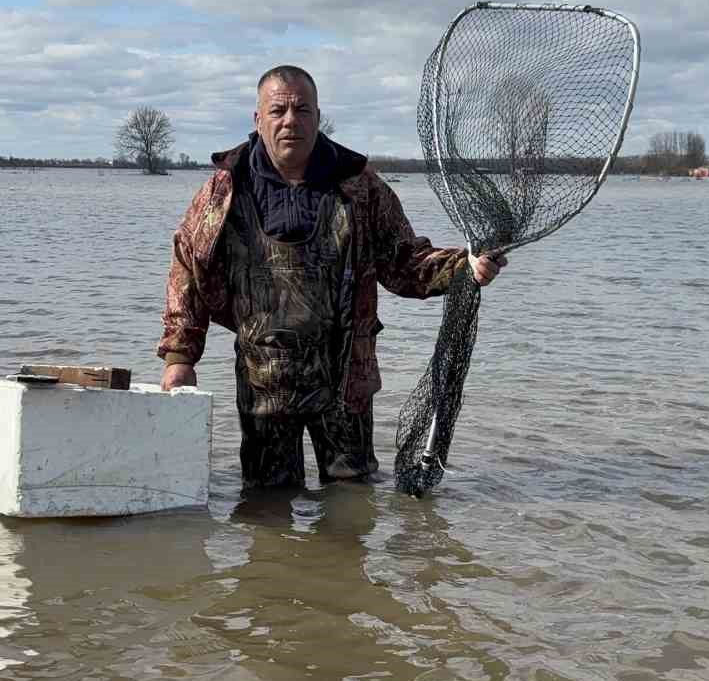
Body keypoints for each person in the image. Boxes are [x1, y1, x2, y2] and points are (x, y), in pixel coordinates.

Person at [158, 66, 505, 488]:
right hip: (264, 378)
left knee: (352, 503)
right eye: (278, 110)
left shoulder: (359, 186)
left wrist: (463, 268)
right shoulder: (225, 190)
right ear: (257, 119)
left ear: (318, 117)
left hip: (347, 379)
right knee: (266, 510)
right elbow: (188, 270)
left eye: (302, 109)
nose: (290, 120)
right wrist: (180, 359)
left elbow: (405, 263)